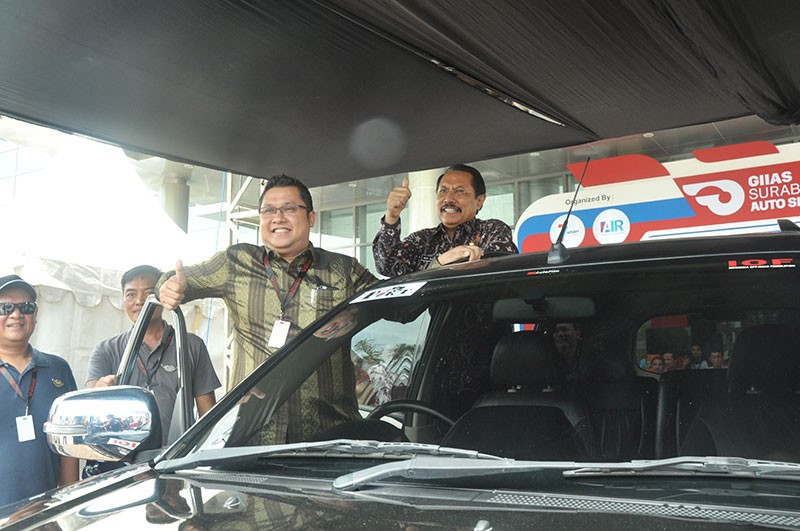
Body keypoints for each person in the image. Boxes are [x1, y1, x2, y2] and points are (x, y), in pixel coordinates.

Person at [159, 174, 377, 441]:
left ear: (311, 217)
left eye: (289, 208)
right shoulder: (235, 262)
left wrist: (395, 228)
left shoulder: (343, 270)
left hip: (328, 436)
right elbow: (169, 280)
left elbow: (402, 307)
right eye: (269, 210)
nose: (278, 218)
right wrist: (168, 287)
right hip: (249, 436)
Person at [86, 265, 221, 446]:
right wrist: (99, 390)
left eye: (149, 293)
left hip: (176, 455)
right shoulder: (106, 350)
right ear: (123, 299)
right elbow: (89, 401)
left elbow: (208, 416)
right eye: (131, 294)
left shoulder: (191, 345)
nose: (140, 301)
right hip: (123, 456)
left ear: (162, 297)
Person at [0, 274, 78, 507]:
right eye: (5, 307)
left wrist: (67, 505)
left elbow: (69, 444)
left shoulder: (58, 369)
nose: (16, 314)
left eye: (26, 307)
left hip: (44, 513)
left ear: (35, 315)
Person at [373, 164, 518, 277]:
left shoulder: (492, 230)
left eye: (459, 191)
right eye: (443, 190)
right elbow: (387, 266)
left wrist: (446, 262)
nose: (448, 199)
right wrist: (392, 215)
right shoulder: (421, 240)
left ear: (479, 201)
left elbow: (500, 271)